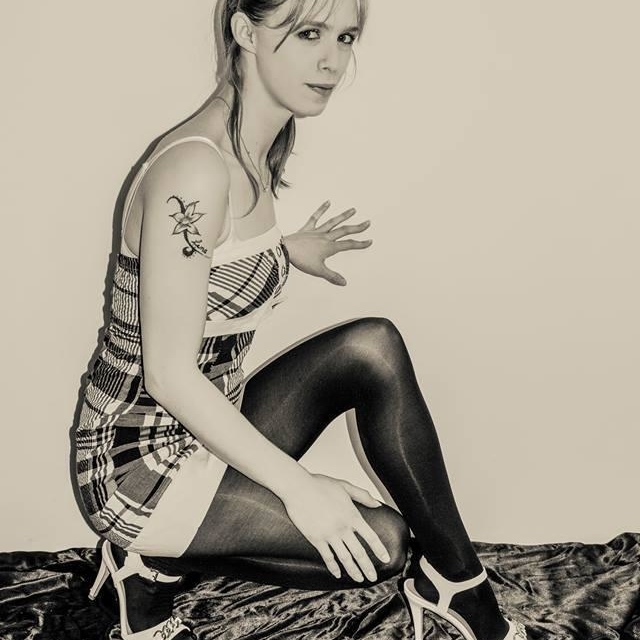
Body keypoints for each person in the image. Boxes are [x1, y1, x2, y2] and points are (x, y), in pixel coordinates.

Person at [73, 1, 528, 639]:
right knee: (382, 544)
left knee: (372, 347)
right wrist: (300, 488)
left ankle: (456, 584)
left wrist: (284, 254)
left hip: (208, 425)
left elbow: (202, 274)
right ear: (244, 30)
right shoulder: (195, 170)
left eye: (345, 38)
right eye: (309, 34)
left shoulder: (257, 146)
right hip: (136, 466)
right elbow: (169, 375)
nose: (332, 61)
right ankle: (146, 559)